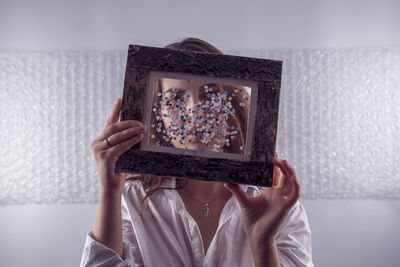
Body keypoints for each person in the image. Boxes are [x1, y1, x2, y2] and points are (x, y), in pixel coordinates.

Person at [80, 38, 315, 267]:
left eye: (210, 95)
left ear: (231, 105)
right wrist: (110, 190)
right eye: (174, 100)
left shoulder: (275, 202)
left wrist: (263, 242)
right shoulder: (133, 198)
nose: (194, 112)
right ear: (156, 114)